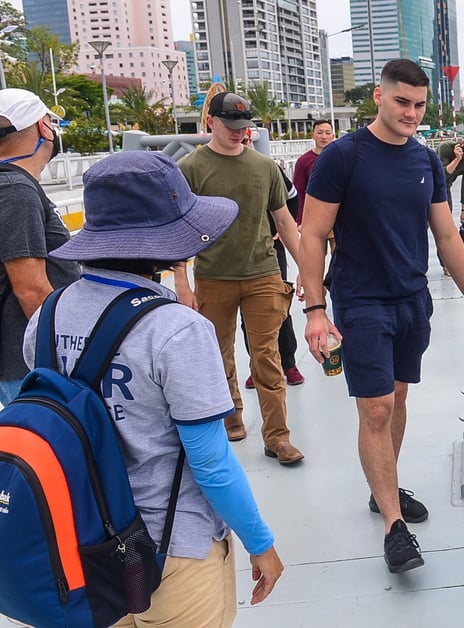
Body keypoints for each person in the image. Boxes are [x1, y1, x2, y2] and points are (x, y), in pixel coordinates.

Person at [24, 151, 284, 625]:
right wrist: (260, 542)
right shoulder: (176, 329)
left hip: (84, 545)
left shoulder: (47, 316)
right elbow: (211, 462)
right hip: (172, 549)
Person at [298, 58, 464, 574]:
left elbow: (446, 235)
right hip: (361, 302)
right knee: (376, 408)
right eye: (402, 101)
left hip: (413, 301)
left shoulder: (426, 161)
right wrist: (316, 310)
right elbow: (312, 234)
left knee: (398, 397)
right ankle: (393, 527)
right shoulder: (342, 157)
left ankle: (385, 486)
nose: (411, 112)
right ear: (379, 98)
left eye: (419, 104)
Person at [174, 91, 306, 464]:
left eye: (244, 127)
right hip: (214, 275)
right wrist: (181, 281)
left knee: (268, 356)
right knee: (219, 354)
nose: (238, 133)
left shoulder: (265, 167)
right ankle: (232, 414)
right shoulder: (190, 169)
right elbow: (182, 227)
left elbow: (284, 221)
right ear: (210, 122)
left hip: (263, 272)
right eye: (231, 126)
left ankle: (277, 436)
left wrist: (307, 274)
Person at [0, 88, 80, 405]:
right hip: (31, 364)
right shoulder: (15, 189)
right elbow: (31, 289)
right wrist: (61, 356)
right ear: (43, 127)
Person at [242, 134, 305, 389]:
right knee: (246, 314)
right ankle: (256, 365)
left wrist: (283, 223)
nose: (243, 147)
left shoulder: (269, 168)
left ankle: (288, 362)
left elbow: (293, 197)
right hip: (238, 254)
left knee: (279, 306)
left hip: (271, 248)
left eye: (247, 142)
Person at [291, 119, 334, 225]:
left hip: (337, 216)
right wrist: (300, 221)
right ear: (313, 135)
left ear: (332, 136)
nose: (324, 136)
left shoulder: (341, 158)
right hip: (313, 217)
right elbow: (299, 192)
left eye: (327, 133)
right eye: (320, 133)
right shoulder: (303, 161)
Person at [437, 128, 464, 222]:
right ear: (463, 142)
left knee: (447, 215)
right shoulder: (446, 148)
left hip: (445, 186)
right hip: (431, 182)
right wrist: (457, 159)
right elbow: (441, 176)